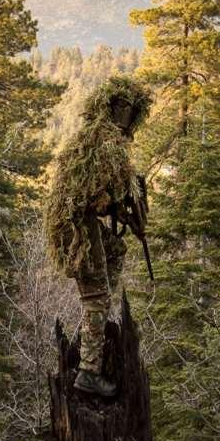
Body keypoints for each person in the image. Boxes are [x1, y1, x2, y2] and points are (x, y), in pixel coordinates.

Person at [45, 76, 150, 397]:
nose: (125, 117)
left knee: (115, 249)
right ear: (109, 109)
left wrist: (124, 210)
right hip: (77, 228)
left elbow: (100, 194)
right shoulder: (103, 145)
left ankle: (99, 320)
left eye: (130, 111)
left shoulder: (97, 142)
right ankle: (89, 371)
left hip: (79, 223)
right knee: (96, 297)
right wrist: (120, 205)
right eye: (122, 109)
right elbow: (93, 198)